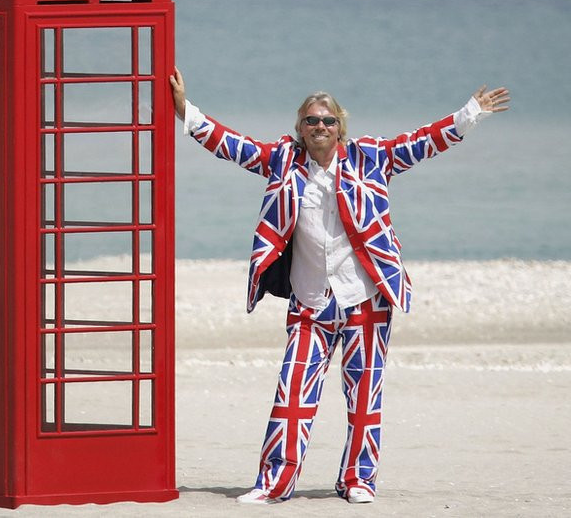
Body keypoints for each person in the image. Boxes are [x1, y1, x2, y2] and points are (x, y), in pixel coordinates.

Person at [169, 68, 510, 505]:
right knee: (292, 391)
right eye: (311, 121)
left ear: (340, 128)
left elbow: (421, 143)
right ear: (299, 128)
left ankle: (358, 481)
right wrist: (186, 110)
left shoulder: (370, 158)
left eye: (328, 121)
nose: (320, 127)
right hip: (310, 302)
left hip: (364, 298)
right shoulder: (282, 162)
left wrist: (470, 113)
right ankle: (275, 482)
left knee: (365, 396)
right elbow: (234, 146)